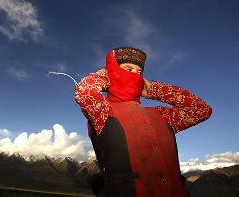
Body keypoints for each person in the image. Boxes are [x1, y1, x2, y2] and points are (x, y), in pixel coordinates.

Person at [74, 47, 212, 197]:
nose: (136, 76)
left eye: (139, 72)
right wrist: (108, 75)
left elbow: (202, 109)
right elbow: (85, 91)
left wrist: (155, 90)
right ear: (113, 71)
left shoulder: (161, 115)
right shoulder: (103, 112)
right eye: (128, 69)